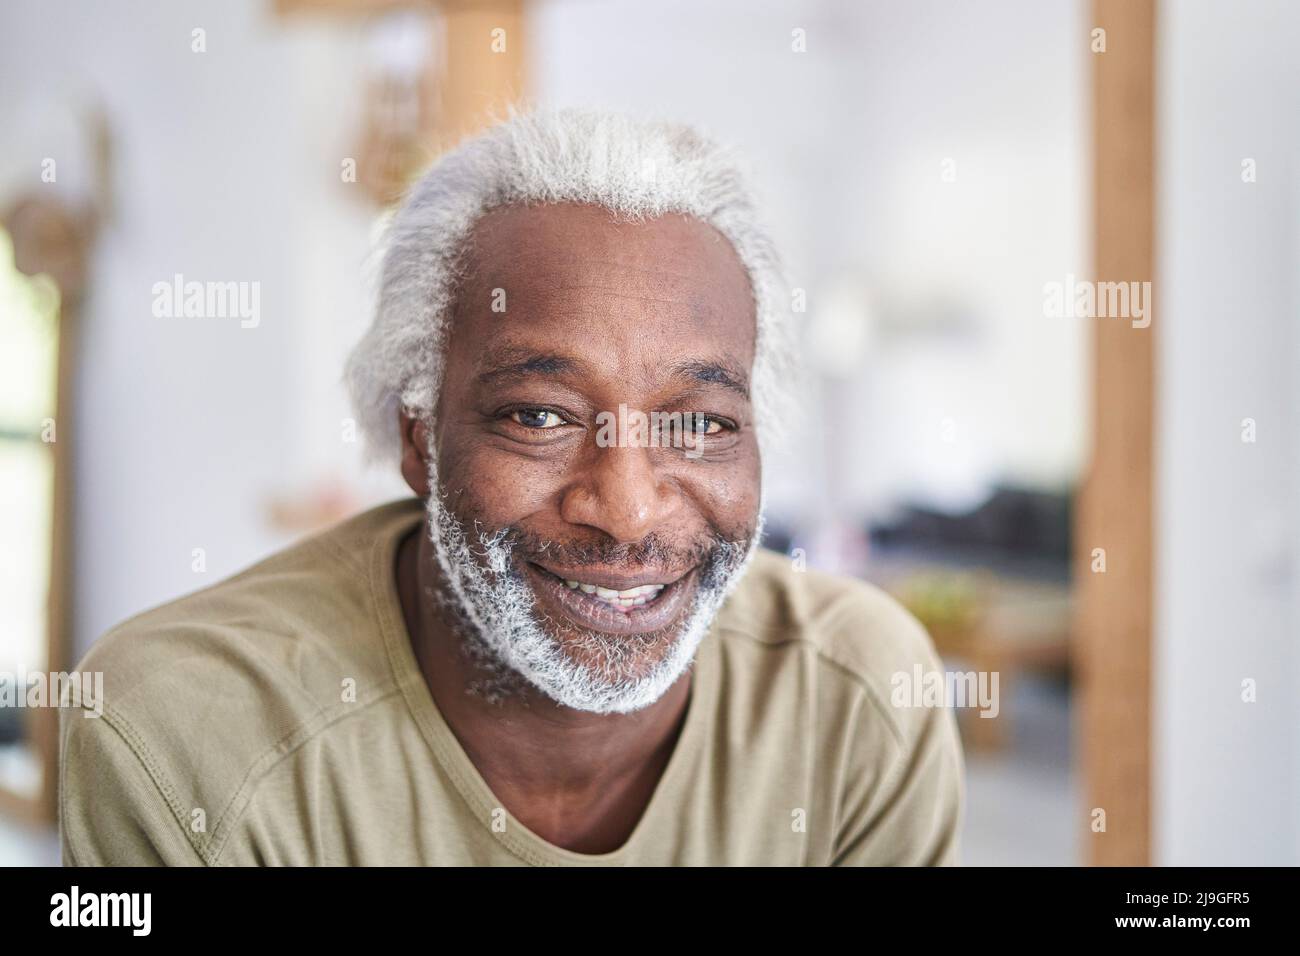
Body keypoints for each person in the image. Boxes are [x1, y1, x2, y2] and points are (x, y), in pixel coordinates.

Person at [60, 109, 963, 865]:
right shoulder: (182, 738)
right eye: (540, 416)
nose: (628, 510)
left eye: (700, 423)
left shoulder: (859, 700)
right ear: (420, 438)